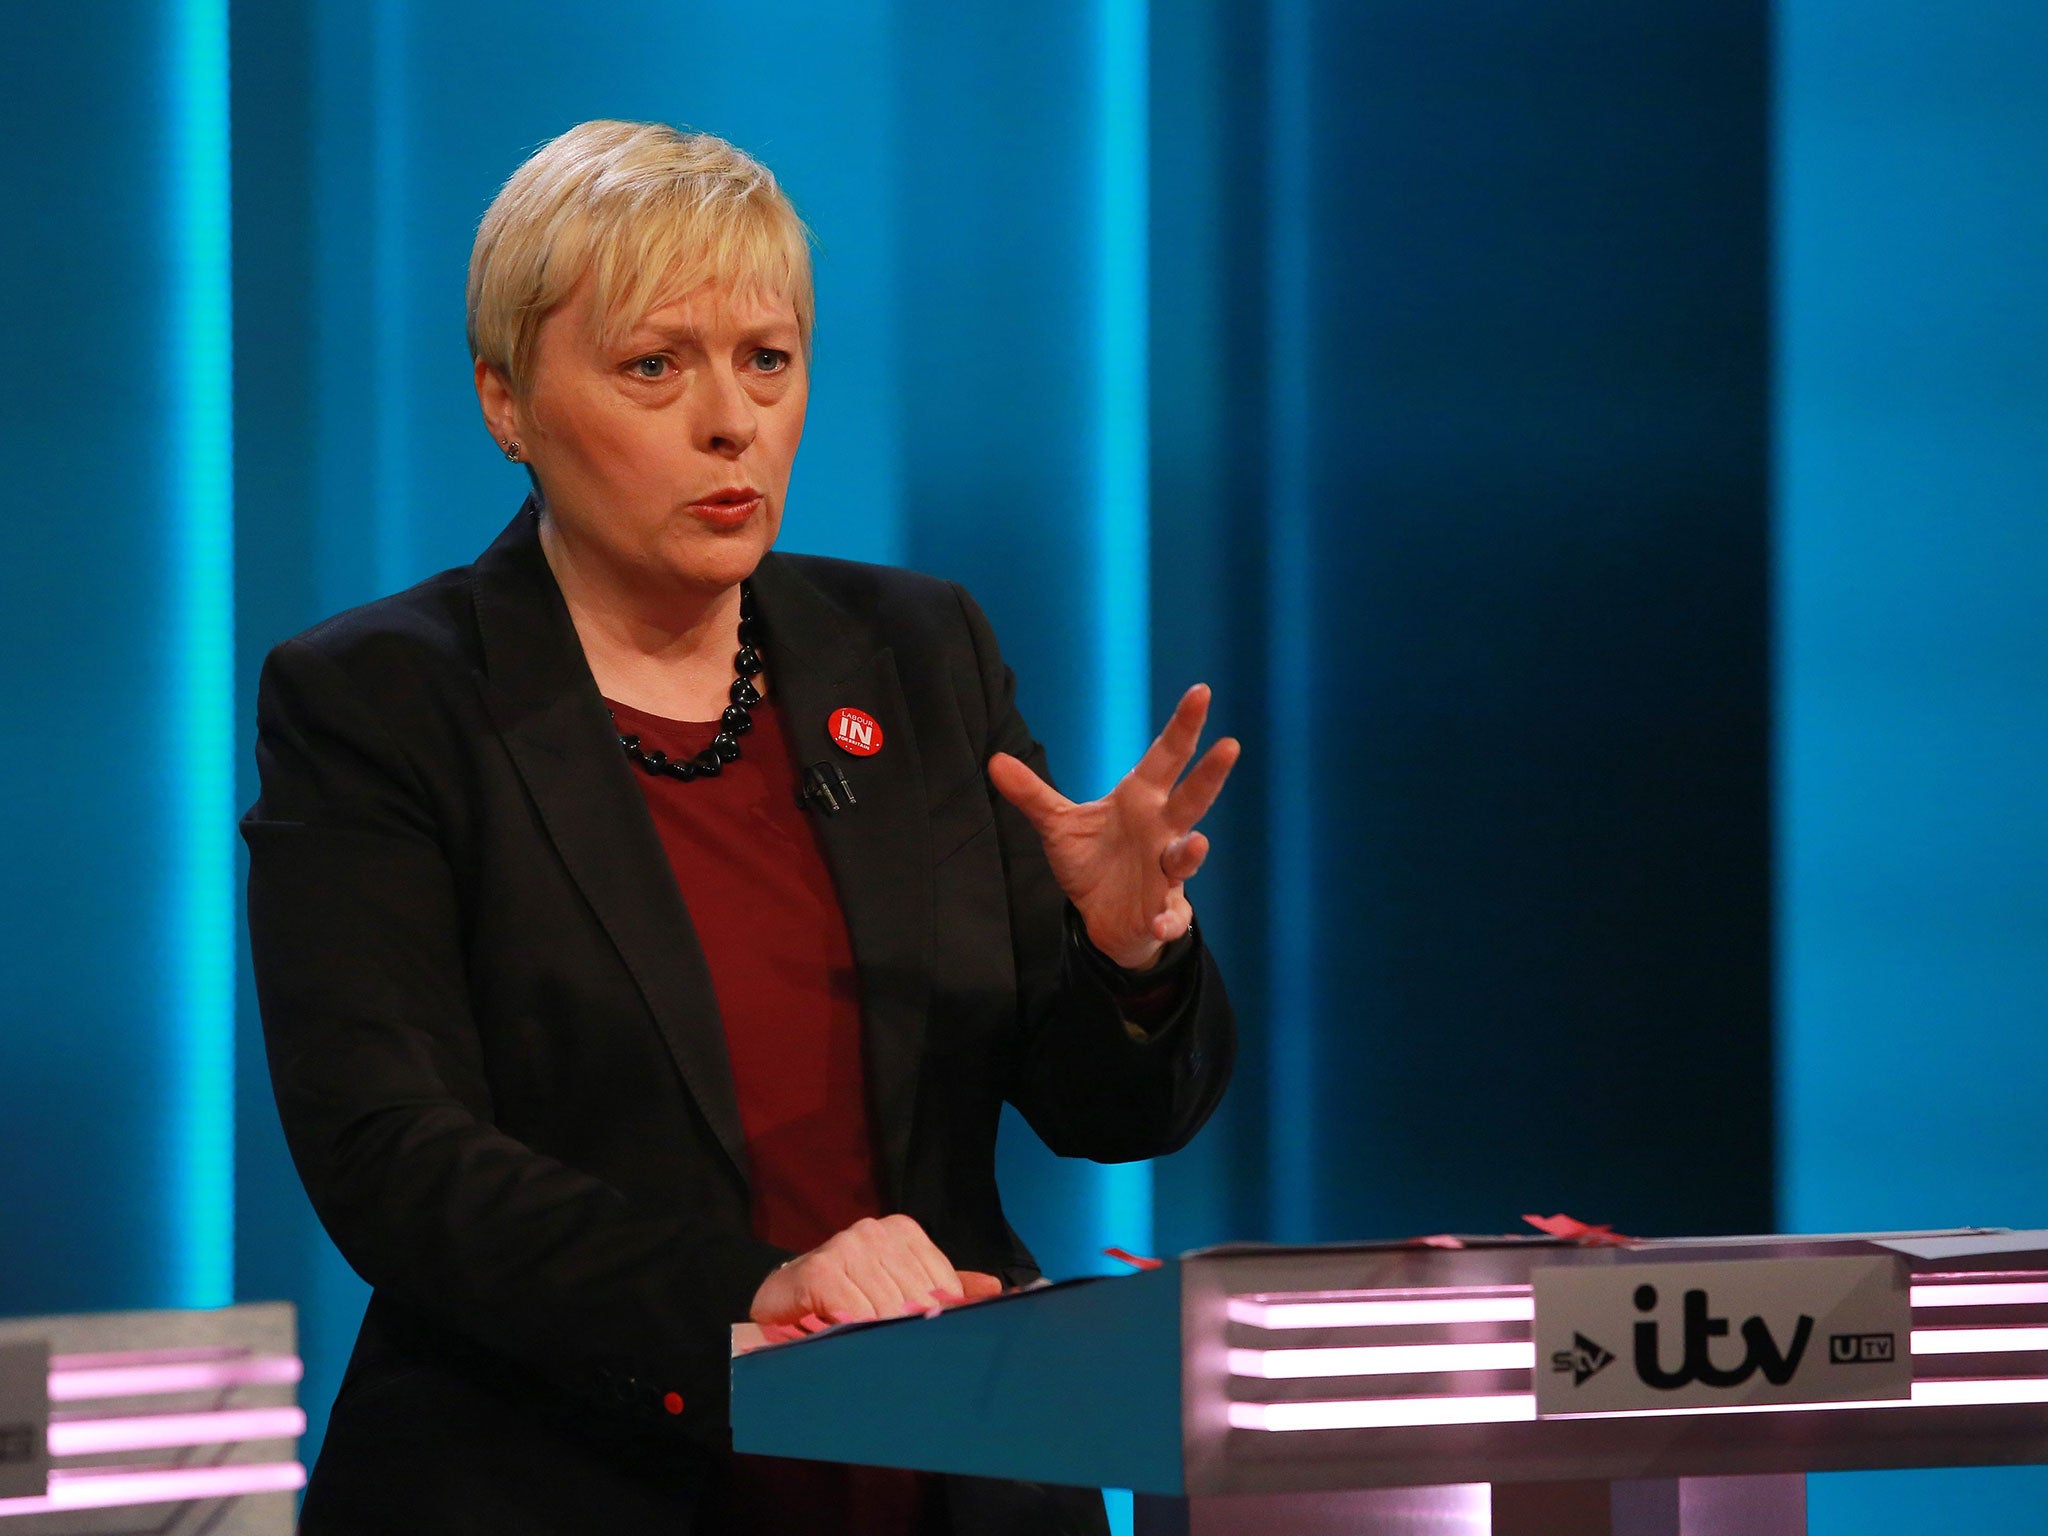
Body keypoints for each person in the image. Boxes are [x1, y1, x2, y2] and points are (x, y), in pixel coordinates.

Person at [243, 119, 1238, 1535]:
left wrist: (1132, 952)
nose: (732, 421)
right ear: (505, 400)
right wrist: (751, 1290)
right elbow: (390, 1155)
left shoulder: (915, 652)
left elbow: (1106, 1110)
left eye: (767, 360)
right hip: (567, 1478)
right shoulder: (384, 701)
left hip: (942, 1472)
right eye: (657, 366)